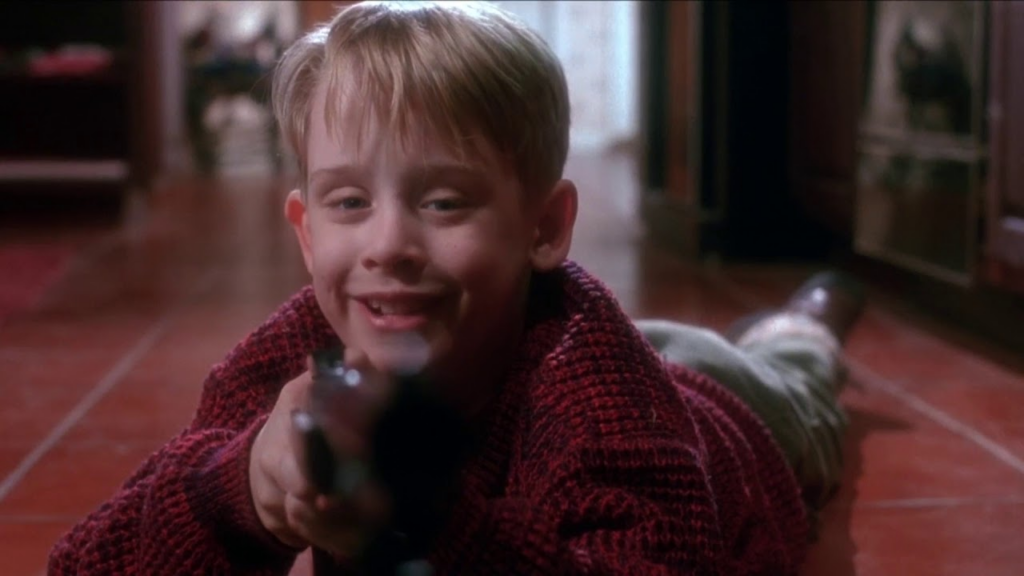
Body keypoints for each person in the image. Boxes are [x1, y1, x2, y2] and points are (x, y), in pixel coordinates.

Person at [48, 2, 864, 574]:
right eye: (349, 202)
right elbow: (85, 564)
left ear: (544, 227)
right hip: (562, 336)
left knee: (790, 372)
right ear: (306, 231)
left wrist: (425, 518)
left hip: (733, 414)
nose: (388, 246)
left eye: (442, 202)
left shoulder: (599, 397)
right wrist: (241, 487)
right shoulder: (293, 362)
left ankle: (808, 322)